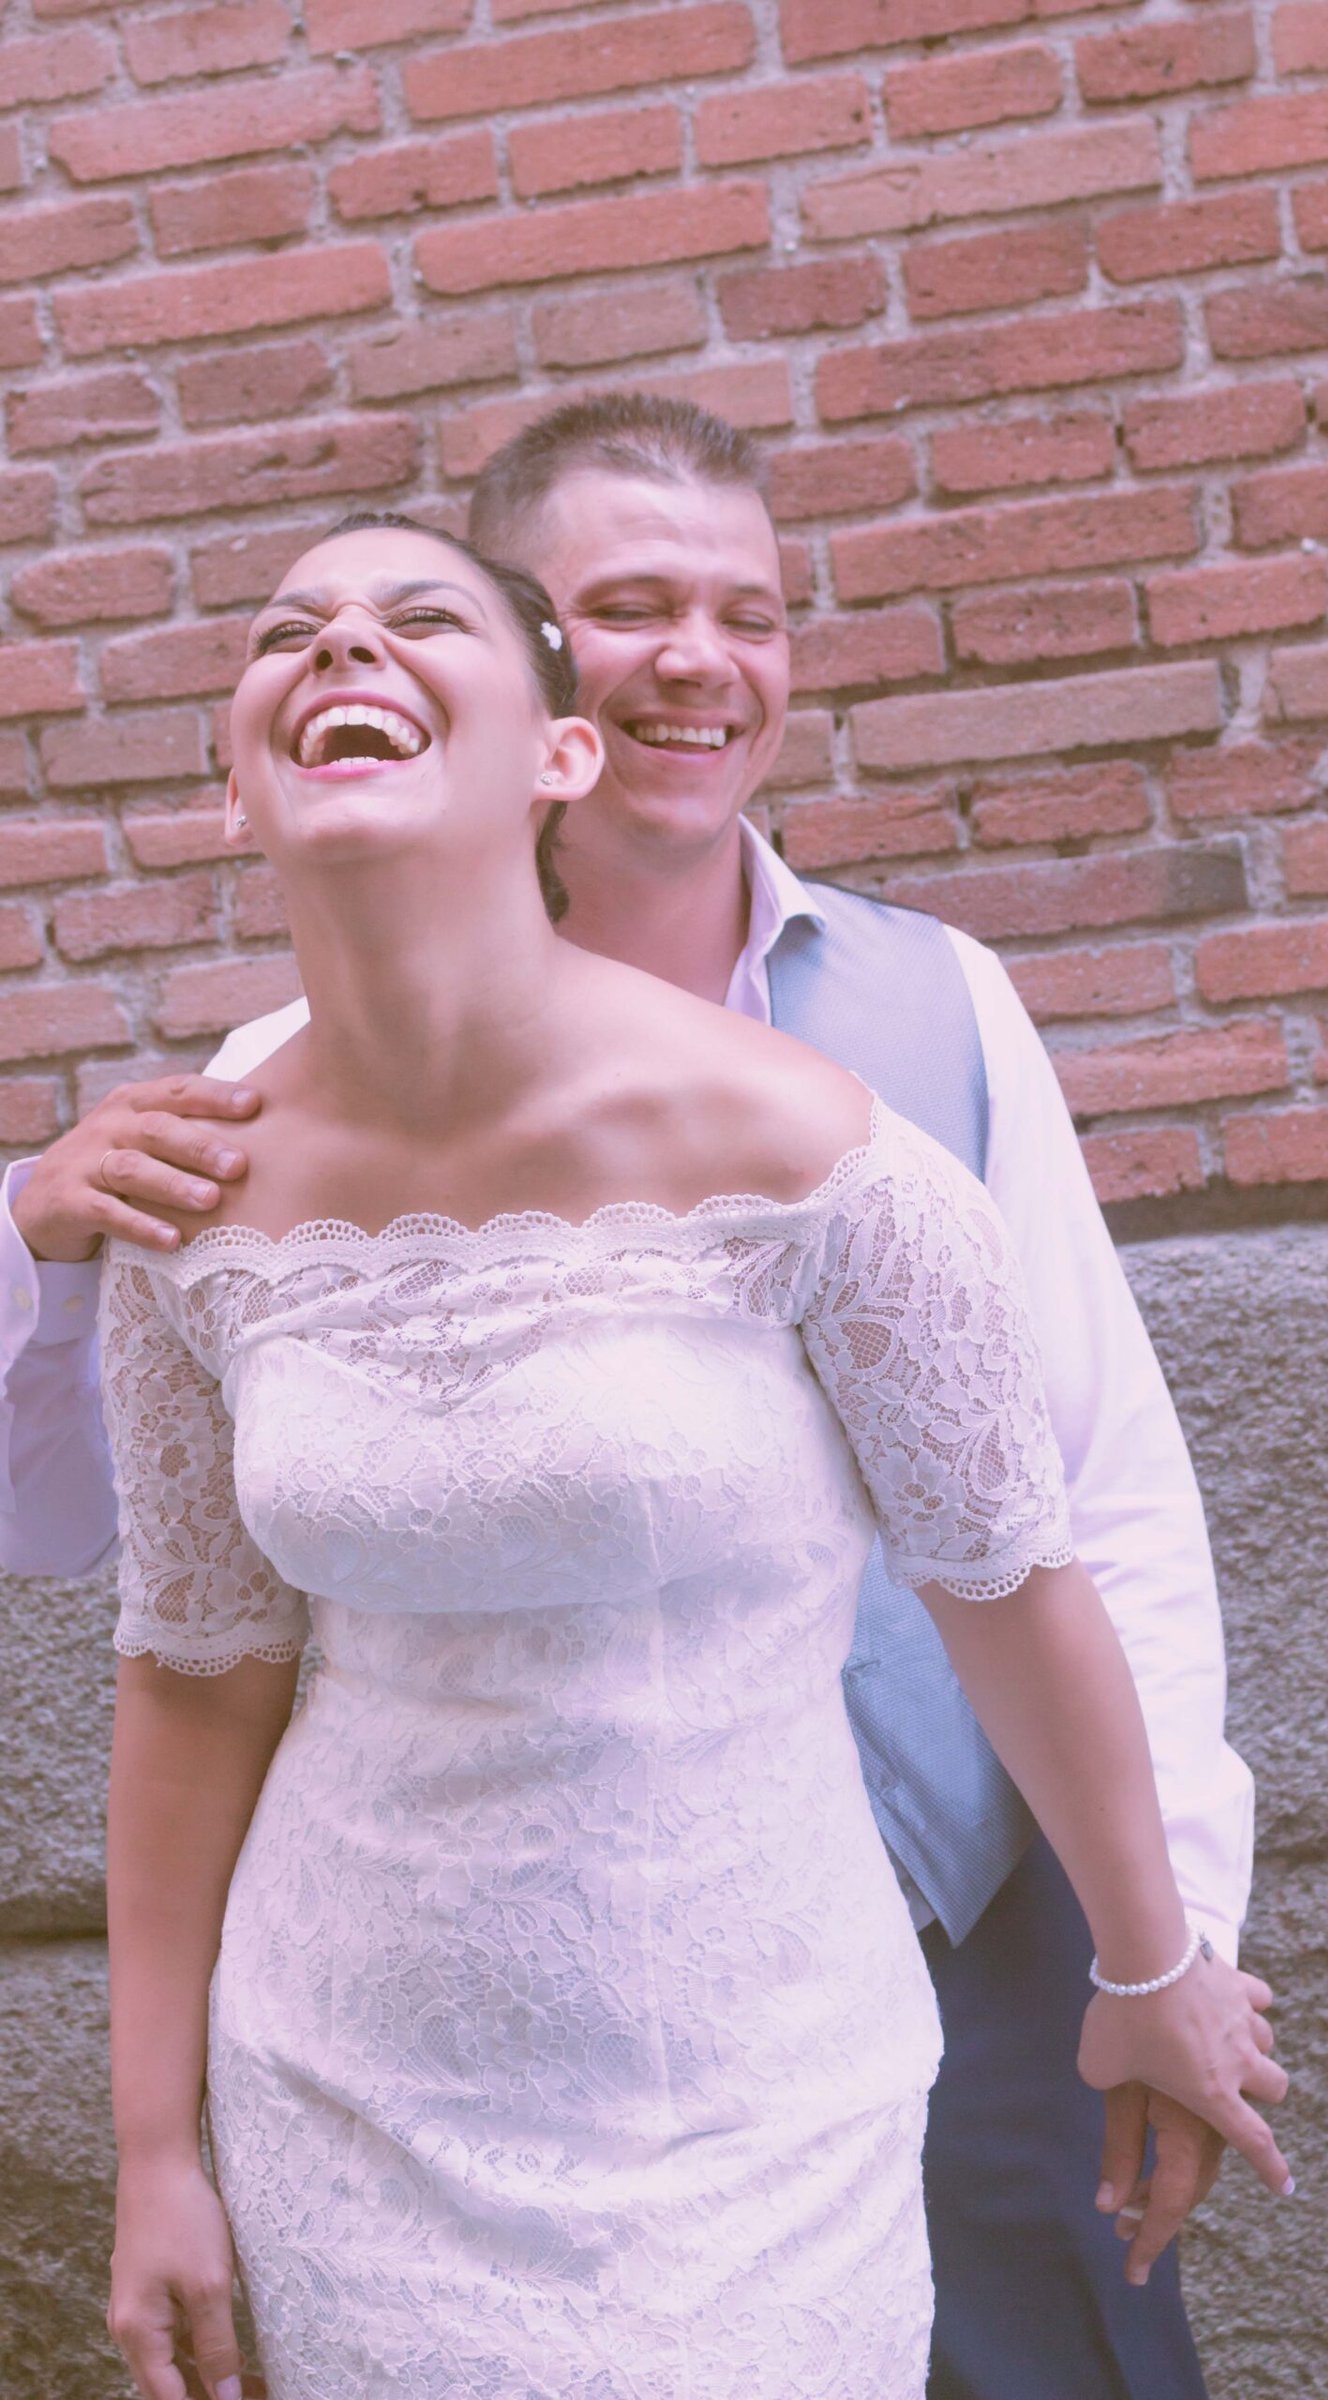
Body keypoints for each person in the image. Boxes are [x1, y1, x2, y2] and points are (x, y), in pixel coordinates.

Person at [3, 398, 1260, 2398]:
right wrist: (156, 2148)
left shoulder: (847, 1121)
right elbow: (188, 1661)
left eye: (419, 617)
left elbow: (1051, 1542)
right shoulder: (206, 1168)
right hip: (348, 2085)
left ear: (545, 746)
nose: (341, 648)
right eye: (287, 631)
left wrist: (1154, 1944)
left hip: (776, 2052)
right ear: (227, 787)